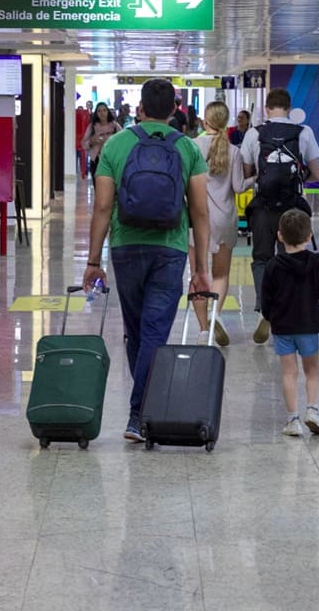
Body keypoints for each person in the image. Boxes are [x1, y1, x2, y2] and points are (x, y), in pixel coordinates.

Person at [82, 78, 211, 442]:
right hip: (169, 249)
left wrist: (94, 261)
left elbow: (103, 206)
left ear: (140, 107)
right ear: (174, 110)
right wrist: (201, 270)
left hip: (126, 246)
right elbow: (200, 212)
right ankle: (140, 413)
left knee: (136, 331)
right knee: (154, 331)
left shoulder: (117, 145)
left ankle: (142, 409)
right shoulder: (187, 149)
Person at [239, 88, 319, 344]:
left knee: (262, 259)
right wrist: (298, 178)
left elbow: (247, 171)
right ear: (289, 108)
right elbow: (317, 174)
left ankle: (265, 307)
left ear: (266, 108)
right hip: (293, 208)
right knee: (292, 258)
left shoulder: (254, 133)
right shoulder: (304, 132)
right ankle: (288, 310)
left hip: (263, 208)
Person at [259, 209, 319, 437]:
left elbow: (266, 301)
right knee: (312, 371)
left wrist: (270, 318)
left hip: (283, 328)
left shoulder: (272, 265)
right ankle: (313, 409)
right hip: (308, 325)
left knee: (289, 373)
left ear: (280, 236)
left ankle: (293, 420)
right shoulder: (314, 262)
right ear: (309, 236)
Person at [189, 101, 253, 346]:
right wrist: (255, 178)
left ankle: (203, 329)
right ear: (227, 123)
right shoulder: (234, 151)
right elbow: (238, 187)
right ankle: (216, 313)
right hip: (225, 218)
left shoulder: (193, 146)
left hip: (197, 218)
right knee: (220, 274)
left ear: (205, 121)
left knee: (197, 274)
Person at [81, 102, 121, 177]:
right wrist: (92, 141)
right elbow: (84, 144)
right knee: (98, 186)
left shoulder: (115, 126)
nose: (102, 113)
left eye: (104, 110)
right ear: (96, 113)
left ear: (108, 112)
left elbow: (123, 141)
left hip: (113, 161)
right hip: (97, 161)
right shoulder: (92, 127)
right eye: (99, 111)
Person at [75, 101, 93, 178]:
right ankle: (80, 172)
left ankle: (84, 172)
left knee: (84, 157)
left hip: (84, 140)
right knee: (79, 157)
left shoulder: (90, 116)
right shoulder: (81, 117)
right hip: (79, 139)